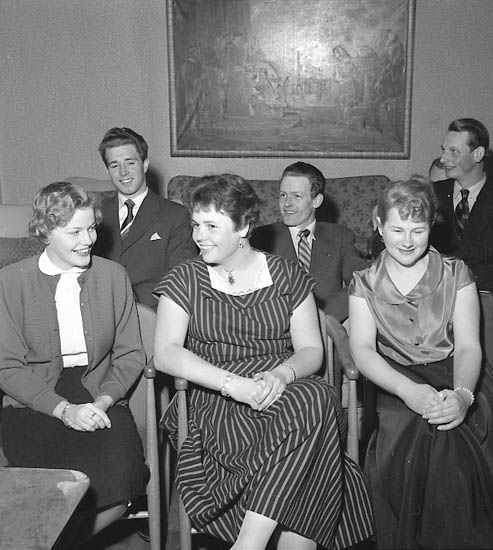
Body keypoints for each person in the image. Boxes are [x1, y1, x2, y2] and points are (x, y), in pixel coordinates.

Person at [154, 174, 374, 550]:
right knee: (315, 427)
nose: (199, 236)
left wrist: (282, 373)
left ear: (243, 227)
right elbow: (166, 353)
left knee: (316, 398)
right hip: (216, 397)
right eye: (195, 224)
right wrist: (233, 385)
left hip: (281, 390)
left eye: (211, 226)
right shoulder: (185, 278)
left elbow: (312, 350)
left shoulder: (287, 274)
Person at [0, 182, 149, 545]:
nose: (88, 240)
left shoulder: (113, 276)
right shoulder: (11, 281)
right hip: (34, 402)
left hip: (100, 394)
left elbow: (130, 354)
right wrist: (65, 411)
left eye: (92, 228)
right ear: (45, 232)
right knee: (47, 494)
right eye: (75, 232)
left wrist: (104, 401)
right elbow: (7, 367)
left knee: (122, 481)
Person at [349, 176, 493, 549]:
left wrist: (462, 396)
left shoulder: (456, 273)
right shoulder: (364, 283)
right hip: (396, 379)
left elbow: (469, 347)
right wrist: (408, 390)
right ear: (379, 225)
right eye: (397, 230)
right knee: (418, 430)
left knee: (447, 428)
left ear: (432, 226)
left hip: (457, 373)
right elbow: (363, 350)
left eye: (418, 230)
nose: (407, 241)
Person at [250, 161, 368, 375]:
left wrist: (321, 317)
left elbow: (361, 279)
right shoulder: (261, 238)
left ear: (316, 200)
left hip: (328, 331)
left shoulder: (339, 236)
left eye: (296, 196)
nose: (286, 204)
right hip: (277, 335)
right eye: (282, 195)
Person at [92, 126, 196, 309]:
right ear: (107, 170)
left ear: (145, 164)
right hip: (101, 310)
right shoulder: (96, 214)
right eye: (114, 165)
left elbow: (182, 278)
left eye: (130, 163)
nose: (123, 172)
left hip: (153, 312)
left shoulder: (175, 215)